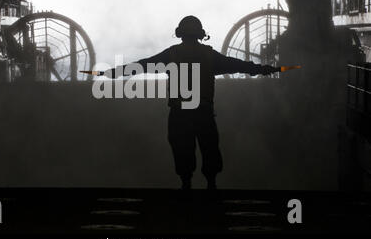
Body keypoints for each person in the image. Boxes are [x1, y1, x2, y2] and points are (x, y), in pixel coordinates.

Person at [105, 16, 279, 190]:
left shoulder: (172, 54)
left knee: (182, 150)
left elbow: (143, 65)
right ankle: (211, 186)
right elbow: (238, 65)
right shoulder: (209, 55)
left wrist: (116, 72)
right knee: (209, 149)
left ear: (180, 34)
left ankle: (186, 185)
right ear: (200, 34)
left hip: (179, 112)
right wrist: (262, 69)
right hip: (203, 111)